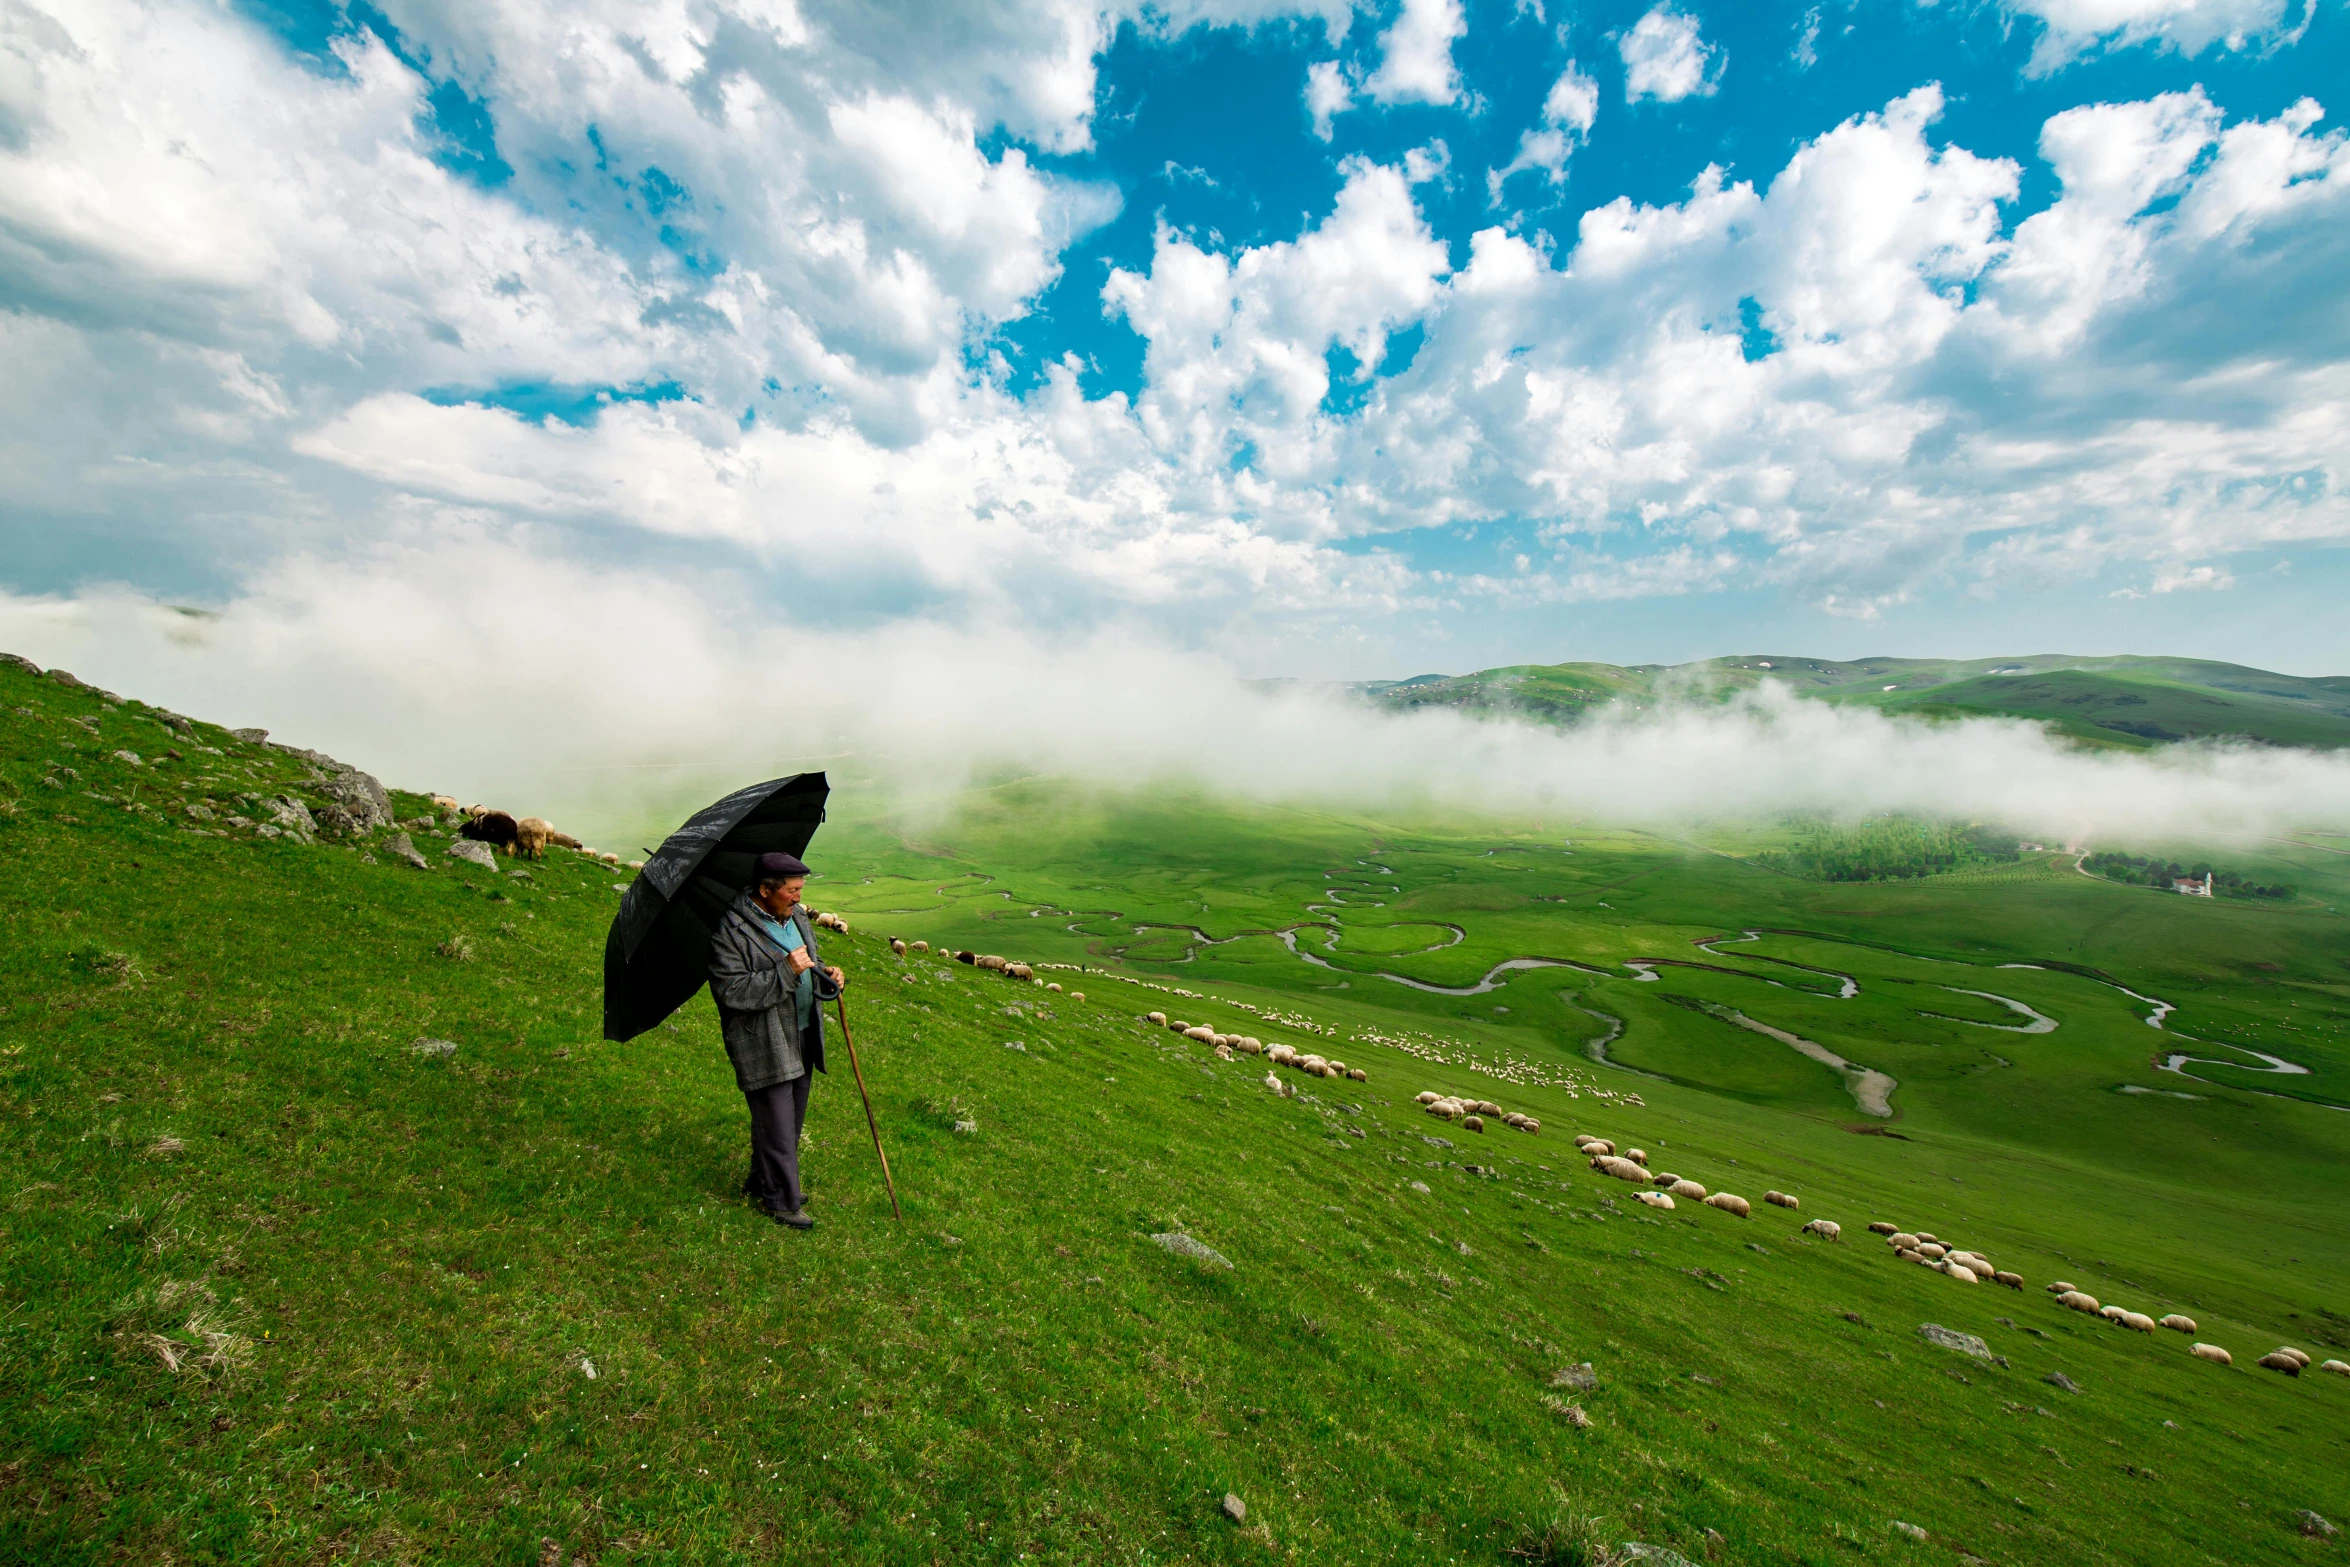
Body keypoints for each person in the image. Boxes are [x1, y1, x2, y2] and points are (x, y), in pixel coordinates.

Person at [706, 851, 846, 1229]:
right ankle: (780, 1202)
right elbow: (732, 991)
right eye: (792, 890)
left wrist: (826, 973)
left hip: (801, 1029)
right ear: (766, 890)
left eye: (801, 889)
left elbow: (807, 960)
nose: (800, 897)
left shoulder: (796, 916)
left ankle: (763, 1180)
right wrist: (786, 971)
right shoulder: (731, 930)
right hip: (763, 1038)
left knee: (790, 1118)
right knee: (778, 1121)